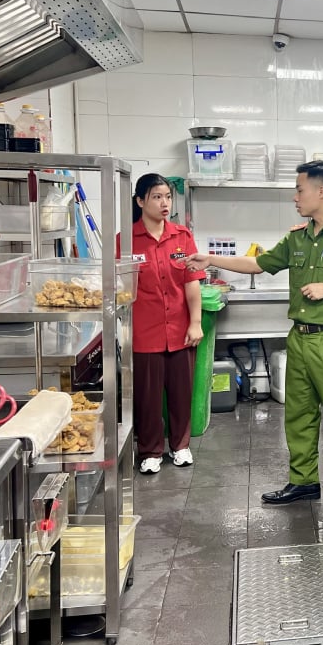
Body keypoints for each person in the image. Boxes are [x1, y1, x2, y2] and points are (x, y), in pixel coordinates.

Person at [184, 161, 323, 517]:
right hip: (300, 339)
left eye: (300, 190)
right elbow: (259, 264)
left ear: (321, 192)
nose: (295, 197)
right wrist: (209, 258)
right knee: (299, 415)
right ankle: (304, 480)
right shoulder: (297, 237)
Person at [126, 174, 206, 474]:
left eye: (167, 197)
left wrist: (195, 322)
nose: (164, 203)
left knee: (182, 391)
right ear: (140, 201)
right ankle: (149, 450)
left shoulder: (182, 236)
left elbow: (191, 283)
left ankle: (181, 446)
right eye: (157, 197)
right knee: (147, 395)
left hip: (179, 328)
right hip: (144, 331)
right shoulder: (126, 240)